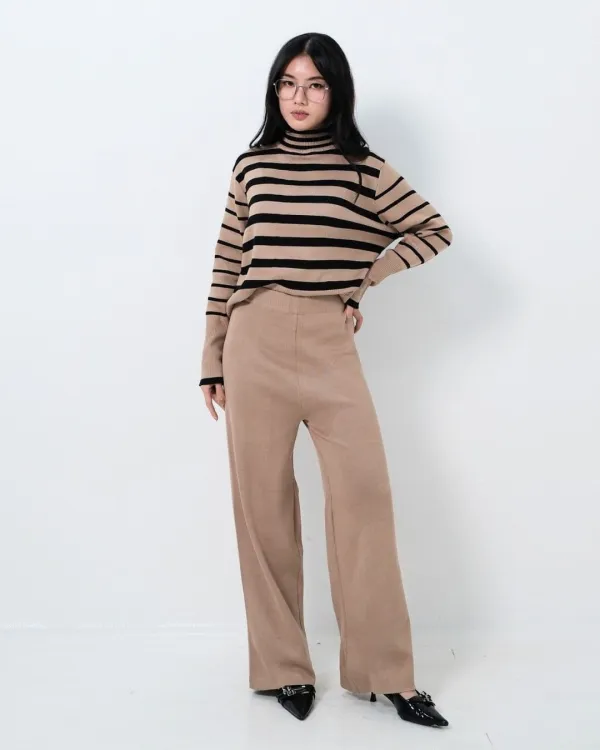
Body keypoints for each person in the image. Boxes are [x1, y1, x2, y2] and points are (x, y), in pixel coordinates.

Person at [198, 32, 453, 726]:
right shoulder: (252, 167)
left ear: (336, 92)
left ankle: (384, 672)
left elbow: (432, 230)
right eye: (287, 83)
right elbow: (226, 264)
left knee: (364, 498)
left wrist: (364, 281)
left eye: (313, 84)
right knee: (263, 510)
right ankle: (283, 668)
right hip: (254, 341)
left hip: (329, 345)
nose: (299, 97)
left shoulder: (363, 169)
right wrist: (212, 358)